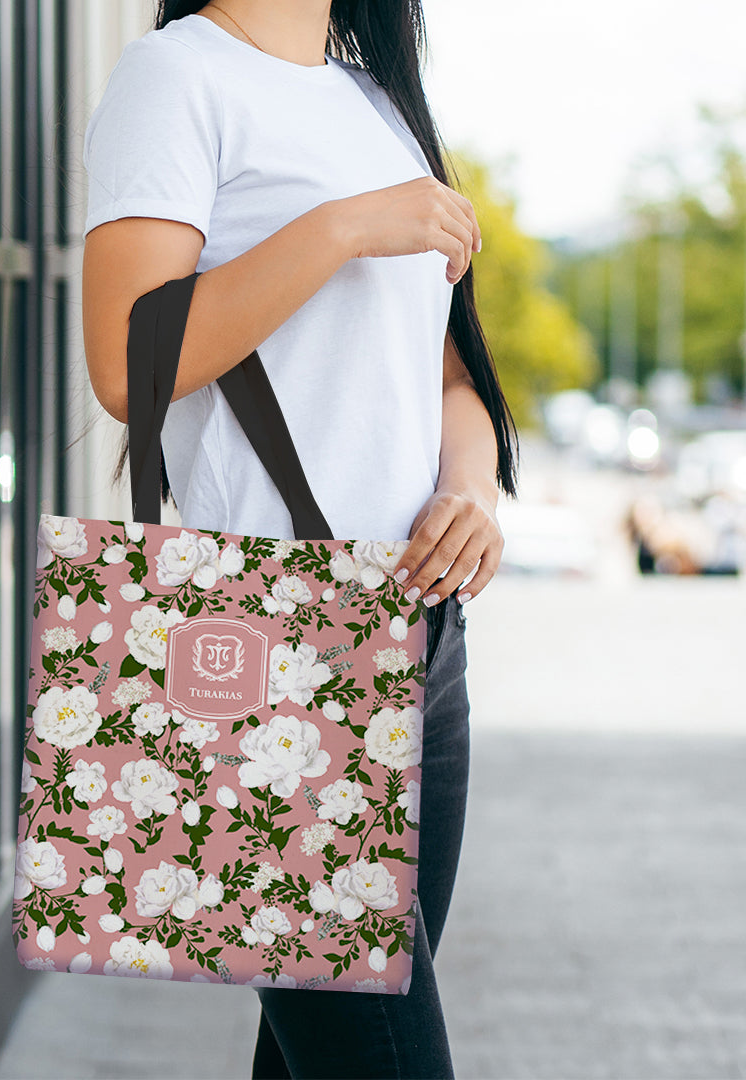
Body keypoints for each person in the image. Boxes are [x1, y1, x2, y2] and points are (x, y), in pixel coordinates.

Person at [79, 1, 519, 1076]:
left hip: (421, 632)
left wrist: (469, 490)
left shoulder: (377, 102)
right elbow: (125, 361)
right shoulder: (174, 78)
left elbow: (450, 373)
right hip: (268, 648)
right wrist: (339, 229)